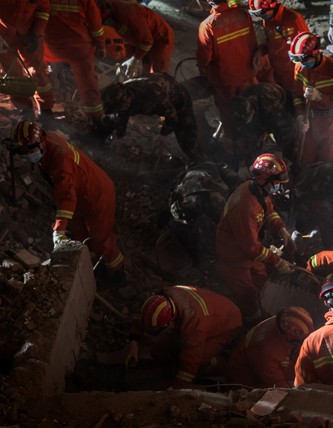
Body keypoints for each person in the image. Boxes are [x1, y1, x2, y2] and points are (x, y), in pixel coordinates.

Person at [8, 120, 125, 280]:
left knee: (100, 238)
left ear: (39, 142)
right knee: (79, 235)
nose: (27, 156)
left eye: (29, 151)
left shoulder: (60, 159)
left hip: (97, 195)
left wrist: (59, 230)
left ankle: (118, 273)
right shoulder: (47, 140)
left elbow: (67, 197)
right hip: (82, 194)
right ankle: (90, 264)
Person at [215, 153, 296, 323]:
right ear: (263, 179)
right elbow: (251, 248)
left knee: (263, 284)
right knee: (248, 296)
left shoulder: (258, 191)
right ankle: (253, 323)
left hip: (251, 249)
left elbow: (269, 210)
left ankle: (265, 311)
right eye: (277, 183)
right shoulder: (245, 206)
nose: (279, 187)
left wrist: (281, 229)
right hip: (234, 257)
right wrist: (277, 261)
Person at [132, 286, 242, 388]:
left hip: (227, 322)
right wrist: (133, 341)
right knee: (162, 350)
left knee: (199, 360)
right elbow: (145, 317)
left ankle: (224, 367)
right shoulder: (161, 298)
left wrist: (177, 388)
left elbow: (191, 360)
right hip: (211, 312)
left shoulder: (194, 323)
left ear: (171, 322)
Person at [289, 32, 333, 167]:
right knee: (306, 163)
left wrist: (320, 97)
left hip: (332, 125)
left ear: (316, 53)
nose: (302, 64)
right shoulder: (299, 68)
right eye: (299, 60)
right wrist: (300, 116)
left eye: (305, 60)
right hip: (310, 124)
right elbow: (296, 96)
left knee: (329, 166)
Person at [43, 0, 106, 131]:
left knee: (40, 74)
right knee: (88, 82)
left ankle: (44, 112)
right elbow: (95, 24)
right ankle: (96, 120)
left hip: (48, 47)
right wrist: (100, 45)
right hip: (78, 46)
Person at [196, 0, 257, 137]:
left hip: (224, 79)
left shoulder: (207, 25)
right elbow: (253, 42)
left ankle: (232, 140)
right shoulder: (243, 14)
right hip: (247, 72)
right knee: (252, 107)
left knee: (229, 111)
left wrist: (204, 71)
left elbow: (204, 59)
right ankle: (254, 139)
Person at [100, 73, 197, 158]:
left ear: (128, 97)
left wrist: (163, 135)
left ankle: (199, 160)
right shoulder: (123, 94)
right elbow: (122, 114)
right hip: (154, 92)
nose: (124, 107)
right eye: (121, 106)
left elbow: (172, 114)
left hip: (178, 98)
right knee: (110, 120)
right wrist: (119, 137)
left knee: (186, 137)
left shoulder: (152, 95)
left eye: (124, 104)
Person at [225, 306, 314, 388]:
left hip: (265, 365)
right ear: (290, 337)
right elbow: (278, 384)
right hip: (244, 382)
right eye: (301, 338)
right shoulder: (267, 350)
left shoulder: (283, 321)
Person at [0, 0, 55, 115]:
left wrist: (36, 33)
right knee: (14, 76)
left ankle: (46, 109)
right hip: (4, 36)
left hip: (29, 34)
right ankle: (25, 109)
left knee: (37, 71)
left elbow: (44, 9)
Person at [248, 0, 308, 91]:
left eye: (262, 13)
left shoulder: (293, 18)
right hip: (279, 73)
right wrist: (260, 52)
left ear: (272, 6)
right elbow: (269, 43)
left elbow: (306, 43)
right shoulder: (267, 21)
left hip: (294, 72)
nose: (261, 17)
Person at [102, 0, 174, 76]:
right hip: (143, 38)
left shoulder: (130, 13)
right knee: (145, 73)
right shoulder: (115, 14)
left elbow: (146, 41)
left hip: (161, 38)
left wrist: (134, 59)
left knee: (157, 74)